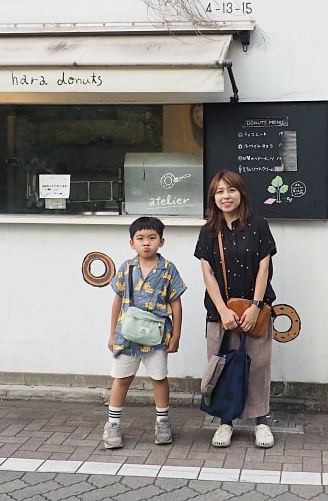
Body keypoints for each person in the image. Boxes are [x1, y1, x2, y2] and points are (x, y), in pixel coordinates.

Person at [194, 170, 277, 449]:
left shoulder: (259, 225)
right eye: (219, 192)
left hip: (256, 310)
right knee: (223, 368)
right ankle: (225, 422)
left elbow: (264, 267)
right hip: (221, 313)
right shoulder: (208, 231)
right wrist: (223, 310)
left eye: (230, 190)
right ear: (212, 197)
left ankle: (261, 421)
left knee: (257, 366)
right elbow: (207, 273)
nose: (225, 196)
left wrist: (255, 306)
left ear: (241, 193)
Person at [103, 216, 186, 450]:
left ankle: (162, 422)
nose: (146, 243)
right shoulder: (126, 268)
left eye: (152, 238)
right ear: (132, 243)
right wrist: (112, 333)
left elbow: (176, 304)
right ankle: (112, 424)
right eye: (140, 239)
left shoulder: (168, 269)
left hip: (157, 337)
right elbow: (117, 300)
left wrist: (176, 335)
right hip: (126, 336)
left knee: (159, 378)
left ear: (162, 240)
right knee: (122, 379)